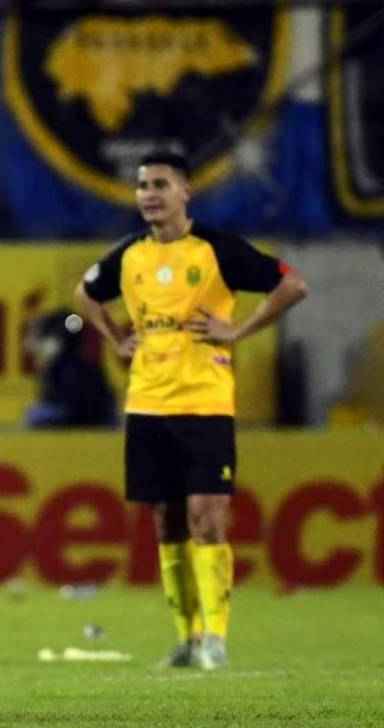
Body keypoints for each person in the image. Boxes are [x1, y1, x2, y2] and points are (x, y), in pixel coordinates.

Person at [74, 149, 308, 670]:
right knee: (166, 521)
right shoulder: (129, 256)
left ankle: (216, 641)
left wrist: (238, 330)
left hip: (205, 403)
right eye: (142, 186)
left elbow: (293, 284)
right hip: (147, 404)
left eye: (159, 184)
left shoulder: (217, 250)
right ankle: (186, 638)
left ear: (185, 192)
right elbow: (84, 294)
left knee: (208, 516)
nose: (149, 194)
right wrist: (115, 337)